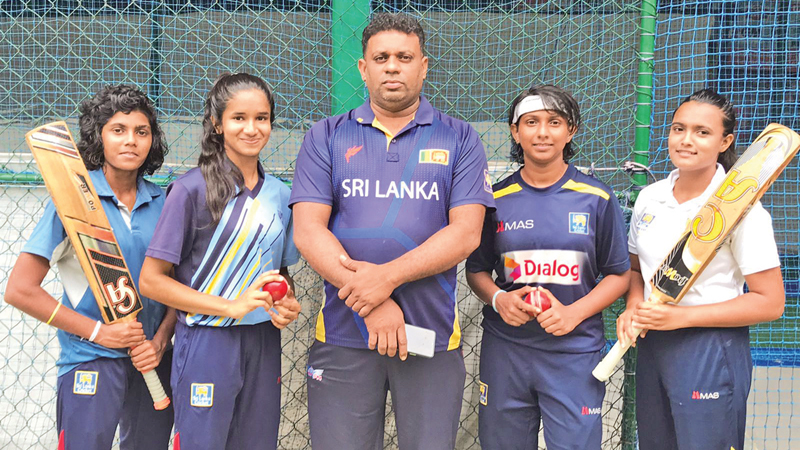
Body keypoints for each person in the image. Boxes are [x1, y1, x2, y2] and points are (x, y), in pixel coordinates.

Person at [290, 12, 495, 450]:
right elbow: (308, 231)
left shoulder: (460, 138)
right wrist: (374, 303)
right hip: (344, 334)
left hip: (429, 337)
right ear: (363, 68)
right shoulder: (326, 136)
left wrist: (385, 279)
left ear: (424, 66)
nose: (392, 67)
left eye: (404, 57)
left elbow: (466, 234)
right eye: (381, 58)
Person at [5, 85, 174, 450]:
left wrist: (161, 342)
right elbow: (19, 290)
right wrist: (99, 333)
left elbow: (179, 287)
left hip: (151, 359)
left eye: (141, 131)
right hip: (91, 358)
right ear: (98, 136)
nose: (131, 141)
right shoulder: (72, 202)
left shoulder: (165, 202)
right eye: (118, 130)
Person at [139, 72, 301, 450]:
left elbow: (279, 272)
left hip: (263, 340)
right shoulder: (190, 189)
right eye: (239, 118)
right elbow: (151, 280)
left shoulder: (280, 195)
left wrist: (287, 300)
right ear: (217, 123)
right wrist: (229, 306)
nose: (252, 128)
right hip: (207, 340)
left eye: (261, 118)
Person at [617, 88, 785, 450]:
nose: (686, 140)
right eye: (679, 129)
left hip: (711, 347)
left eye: (702, 132)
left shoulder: (742, 209)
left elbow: (770, 302)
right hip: (653, 344)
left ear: (725, 142)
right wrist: (633, 305)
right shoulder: (650, 198)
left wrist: (682, 317)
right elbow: (635, 270)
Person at [465, 85, 631, 450]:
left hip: (573, 352)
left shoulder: (597, 198)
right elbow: (476, 271)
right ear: (515, 131)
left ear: (571, 130)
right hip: (507, 351)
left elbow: (620, 275)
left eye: (554, 122)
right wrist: (499, 300)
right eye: (531, 122)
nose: (542, 132)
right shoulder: (494, 201)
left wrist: (573, 313)